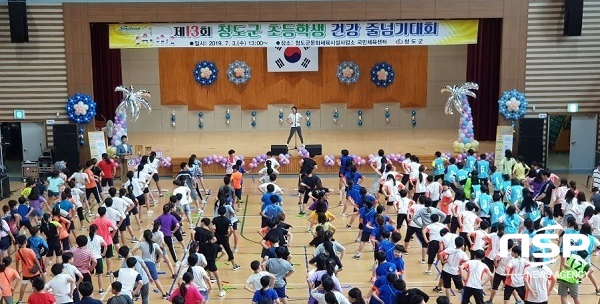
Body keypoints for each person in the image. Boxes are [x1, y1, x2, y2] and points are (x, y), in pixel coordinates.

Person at [212, 206, 242, 271]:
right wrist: (228, 235)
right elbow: (231, 230)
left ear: (218, 212)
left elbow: (211, 226)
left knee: (215, 250)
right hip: (224, 237)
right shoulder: (227, 220)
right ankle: (234, 265)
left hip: (216, 236)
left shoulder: (215, 219)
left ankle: (212, 263)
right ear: (225, 212)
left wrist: (214, 231)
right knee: (228, 251)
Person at [15, 234, 43, 304]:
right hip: (35, 272)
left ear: (18, 243)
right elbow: (36, 261)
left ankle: (20, 300)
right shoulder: (30, 250)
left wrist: (17, 271)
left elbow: (17, 263)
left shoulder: (17, 253)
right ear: (26, 242)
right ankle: (37, 299)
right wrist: (40, 269)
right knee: (36, 286)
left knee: (23, 285)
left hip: (25, 272)